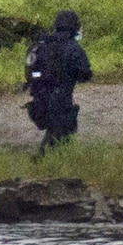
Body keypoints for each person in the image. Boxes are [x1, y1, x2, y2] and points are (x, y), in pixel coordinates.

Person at [26, 10, 92, 155]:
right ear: (74, 27)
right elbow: (85, 74)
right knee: (62, 135)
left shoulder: (43, 44)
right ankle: (46, 162)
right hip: (61, 99)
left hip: (39, 98)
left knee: (54, 132)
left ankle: (46, 160)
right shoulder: (72, 47)